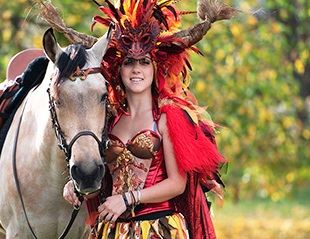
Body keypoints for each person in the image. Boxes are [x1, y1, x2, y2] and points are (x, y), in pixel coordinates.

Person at [62, 0, 238, 238]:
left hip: (159, 229)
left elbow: (178, 184)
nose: (136, 69)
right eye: (128, 62)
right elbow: (100, 187)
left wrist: (128, 199)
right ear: (118, 69)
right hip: (112, 231)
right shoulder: (109, 120)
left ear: (156, 68)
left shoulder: (168, 117)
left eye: (144, 62)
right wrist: (77, 188)